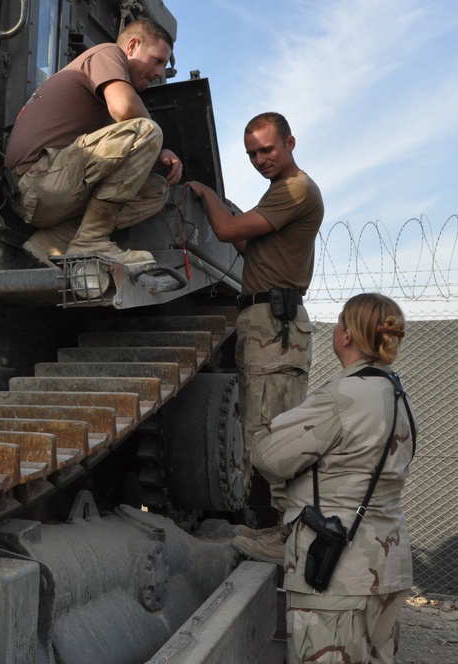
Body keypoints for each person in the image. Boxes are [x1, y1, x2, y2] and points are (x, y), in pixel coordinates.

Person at [185, 112, 323, 561]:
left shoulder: (294, 189)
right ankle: (280, 533)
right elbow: (247, 245)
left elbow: (226, 232)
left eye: (268, 149)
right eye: (252, 154)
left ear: (290, 143)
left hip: (274, 324)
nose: (260, 159)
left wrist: (204, 194)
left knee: (274, 436)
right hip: (264, 320)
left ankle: (289, 539)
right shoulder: (276, 193)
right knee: (261, 434)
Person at [251, 292, 415, 663]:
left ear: (347, 336)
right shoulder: (399, 395)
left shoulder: (342, 397)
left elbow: (269, 457)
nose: (336, 329)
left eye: (340, 322)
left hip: (338, 570)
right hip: (387, 564)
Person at [3, 18, 183, 266]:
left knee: (154, 190)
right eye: (158, 60)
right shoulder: (108, 52)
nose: (160, 73)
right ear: (131, 46)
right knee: (146, 130)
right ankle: (92, 241)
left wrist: (153, 157)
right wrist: (157, 145)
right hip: (34, 182)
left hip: (47, 190)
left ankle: (52, 243)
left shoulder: (103, 105)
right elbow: (126, 108)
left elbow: (121, 169)